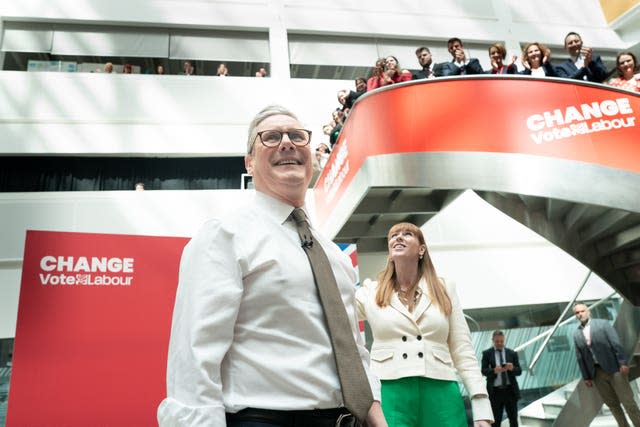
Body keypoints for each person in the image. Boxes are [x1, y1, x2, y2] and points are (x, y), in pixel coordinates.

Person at [158, 105, 387, 427]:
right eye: (270, 137)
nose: (287, 143)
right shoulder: (225, 235)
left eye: (297, 136)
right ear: (249, 163)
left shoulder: (333, 254)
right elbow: (195, 354)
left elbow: (352, 346)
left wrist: (374, 413)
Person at [356, 222, 493, 427]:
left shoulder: (445, 288)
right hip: (389, 390)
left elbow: (462, 349)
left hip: (441, 389)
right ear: (390, 251)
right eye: (393, 236)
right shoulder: (370, 291)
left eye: (407, 234)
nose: (398, 238)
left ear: (421, 249)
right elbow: (336, 311)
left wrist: (481, 405)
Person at [572, 302, 640, 426]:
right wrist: (586, 376)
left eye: (582, 311)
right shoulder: (576, 334)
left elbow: (616, 344)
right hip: (597, 373)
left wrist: (623, 363)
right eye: (577, 312)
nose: (580, 314)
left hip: (615, 369)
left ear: (588, 311)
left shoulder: (603, 324)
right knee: (612, 405)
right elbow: (580, 357)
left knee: (628, 401)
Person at [481, 331, 522, 426]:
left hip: (510, 391)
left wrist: (512, 368)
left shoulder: (512, 353)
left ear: (504, 340)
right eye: (497, 341)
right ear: (493, 341)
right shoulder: (487, 353)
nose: (499, 343)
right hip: (495, 393)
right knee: (495, 421)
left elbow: (519, 371)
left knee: (513, 419)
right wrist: (494, 370)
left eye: (501, 341)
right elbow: (483, 371)